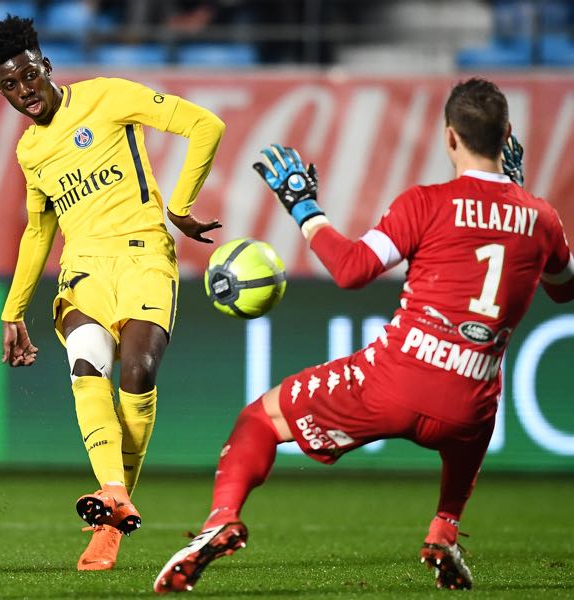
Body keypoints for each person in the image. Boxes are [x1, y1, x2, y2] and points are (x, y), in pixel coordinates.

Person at [154, 78, 574, 594]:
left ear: (449, 138)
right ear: (507, 133)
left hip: (393, 384)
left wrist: (303, 207)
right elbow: (564, 289)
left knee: (259, 420)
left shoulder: (426, 202)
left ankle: (222, 519)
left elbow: (353, 270)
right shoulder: (542, 218)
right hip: (467, 406)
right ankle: (444, 530)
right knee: (479, 398)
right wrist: (520, 195)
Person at [0, 15, 224, 571]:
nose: (23, 93)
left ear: (46, 66)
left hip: (144, 256)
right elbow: (39, 232)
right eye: (8, 86)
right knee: (89, 365)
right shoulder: (30, 152)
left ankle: (111, 513)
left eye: (28, 77)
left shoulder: (107, 97)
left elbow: (205, 124)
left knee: (138, 373)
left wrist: (179, 205)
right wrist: (13, 310)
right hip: (83, 268)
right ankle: (113, 499)